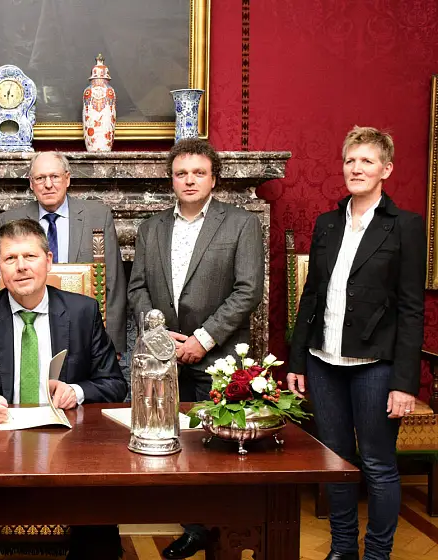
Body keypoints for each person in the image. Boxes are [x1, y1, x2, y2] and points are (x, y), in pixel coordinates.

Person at [0, 219, 127, 560]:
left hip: (71, 449)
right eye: (10, 258)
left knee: (99, 528)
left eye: (30, 256)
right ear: (0, 268)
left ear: (48, 260)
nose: (21, 267)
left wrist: (76, 392)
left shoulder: (82, 312)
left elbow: (114, 383)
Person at [287, 126, 425, 560]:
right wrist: (296, 360)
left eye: (366, 161)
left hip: (377, 366)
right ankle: (342, 550)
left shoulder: (406, 226)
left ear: (386, 169)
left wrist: (405, 383)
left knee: (379, 466)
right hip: (323, 362)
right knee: (335, 463)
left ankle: (377, 555)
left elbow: (411, 308)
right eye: (350, 160)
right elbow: (311, 297)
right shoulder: (327, 223)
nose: (356, 168)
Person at [127, 138, 264, 559]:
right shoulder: (152, 227)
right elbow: (138, 289)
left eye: (198, 173)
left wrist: (203, 339)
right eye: (181, 173)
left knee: (215, 446)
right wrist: (159, 337)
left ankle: (222, 530)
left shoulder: (241, 224)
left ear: (213, 178)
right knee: (171, 439)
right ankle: (193, 528)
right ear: (172, 179)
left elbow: (248, 291)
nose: (189, 180)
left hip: (217, 355)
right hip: (161, 356)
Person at [0, 151, 127, 355]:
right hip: (28, 328)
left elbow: (114, 283)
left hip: (84, 329)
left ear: (67, 178)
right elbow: (4, 281)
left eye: (54, 176)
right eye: (40, 178)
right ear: (31, 183)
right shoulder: (10, 220)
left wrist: (112, 343)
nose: (48, 184)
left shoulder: (97, 216)